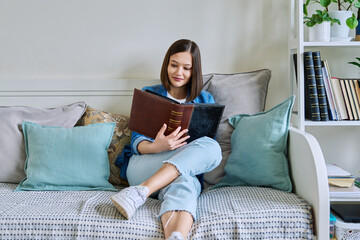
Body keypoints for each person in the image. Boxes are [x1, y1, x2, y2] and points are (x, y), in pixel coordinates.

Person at [111, 39, 222, 240]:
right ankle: (141, 189)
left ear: (194, 71)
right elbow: (138, 143)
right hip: (144, 166)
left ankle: (175, 235)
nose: (179, 72)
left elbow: (203, 153)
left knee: (196, 169)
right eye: (174, 65)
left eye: (186, 68)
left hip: (183, 171)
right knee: (198, 160)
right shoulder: (150, 93)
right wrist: (157, 146)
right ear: (166, 65)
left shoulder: (206, 99)